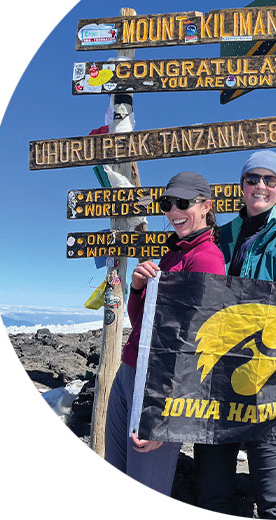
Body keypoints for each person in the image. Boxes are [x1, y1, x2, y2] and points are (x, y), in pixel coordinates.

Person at [194, 150, 276, 519]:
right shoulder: (222, 234)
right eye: (253, 179)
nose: (260, 186)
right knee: (213, 496)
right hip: (216, 378)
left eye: (270, 180)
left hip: (270, 377)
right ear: (242, 185)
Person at [104, 171, 225, 495]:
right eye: (167, 203)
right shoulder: (174, 252)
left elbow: (199, 342)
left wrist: (168, 414)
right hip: (130, 372)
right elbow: (141, 321)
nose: (173, 211)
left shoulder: (206, 258)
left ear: (205, 206)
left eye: (183, 202)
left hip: (159, 387)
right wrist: (138, 287)